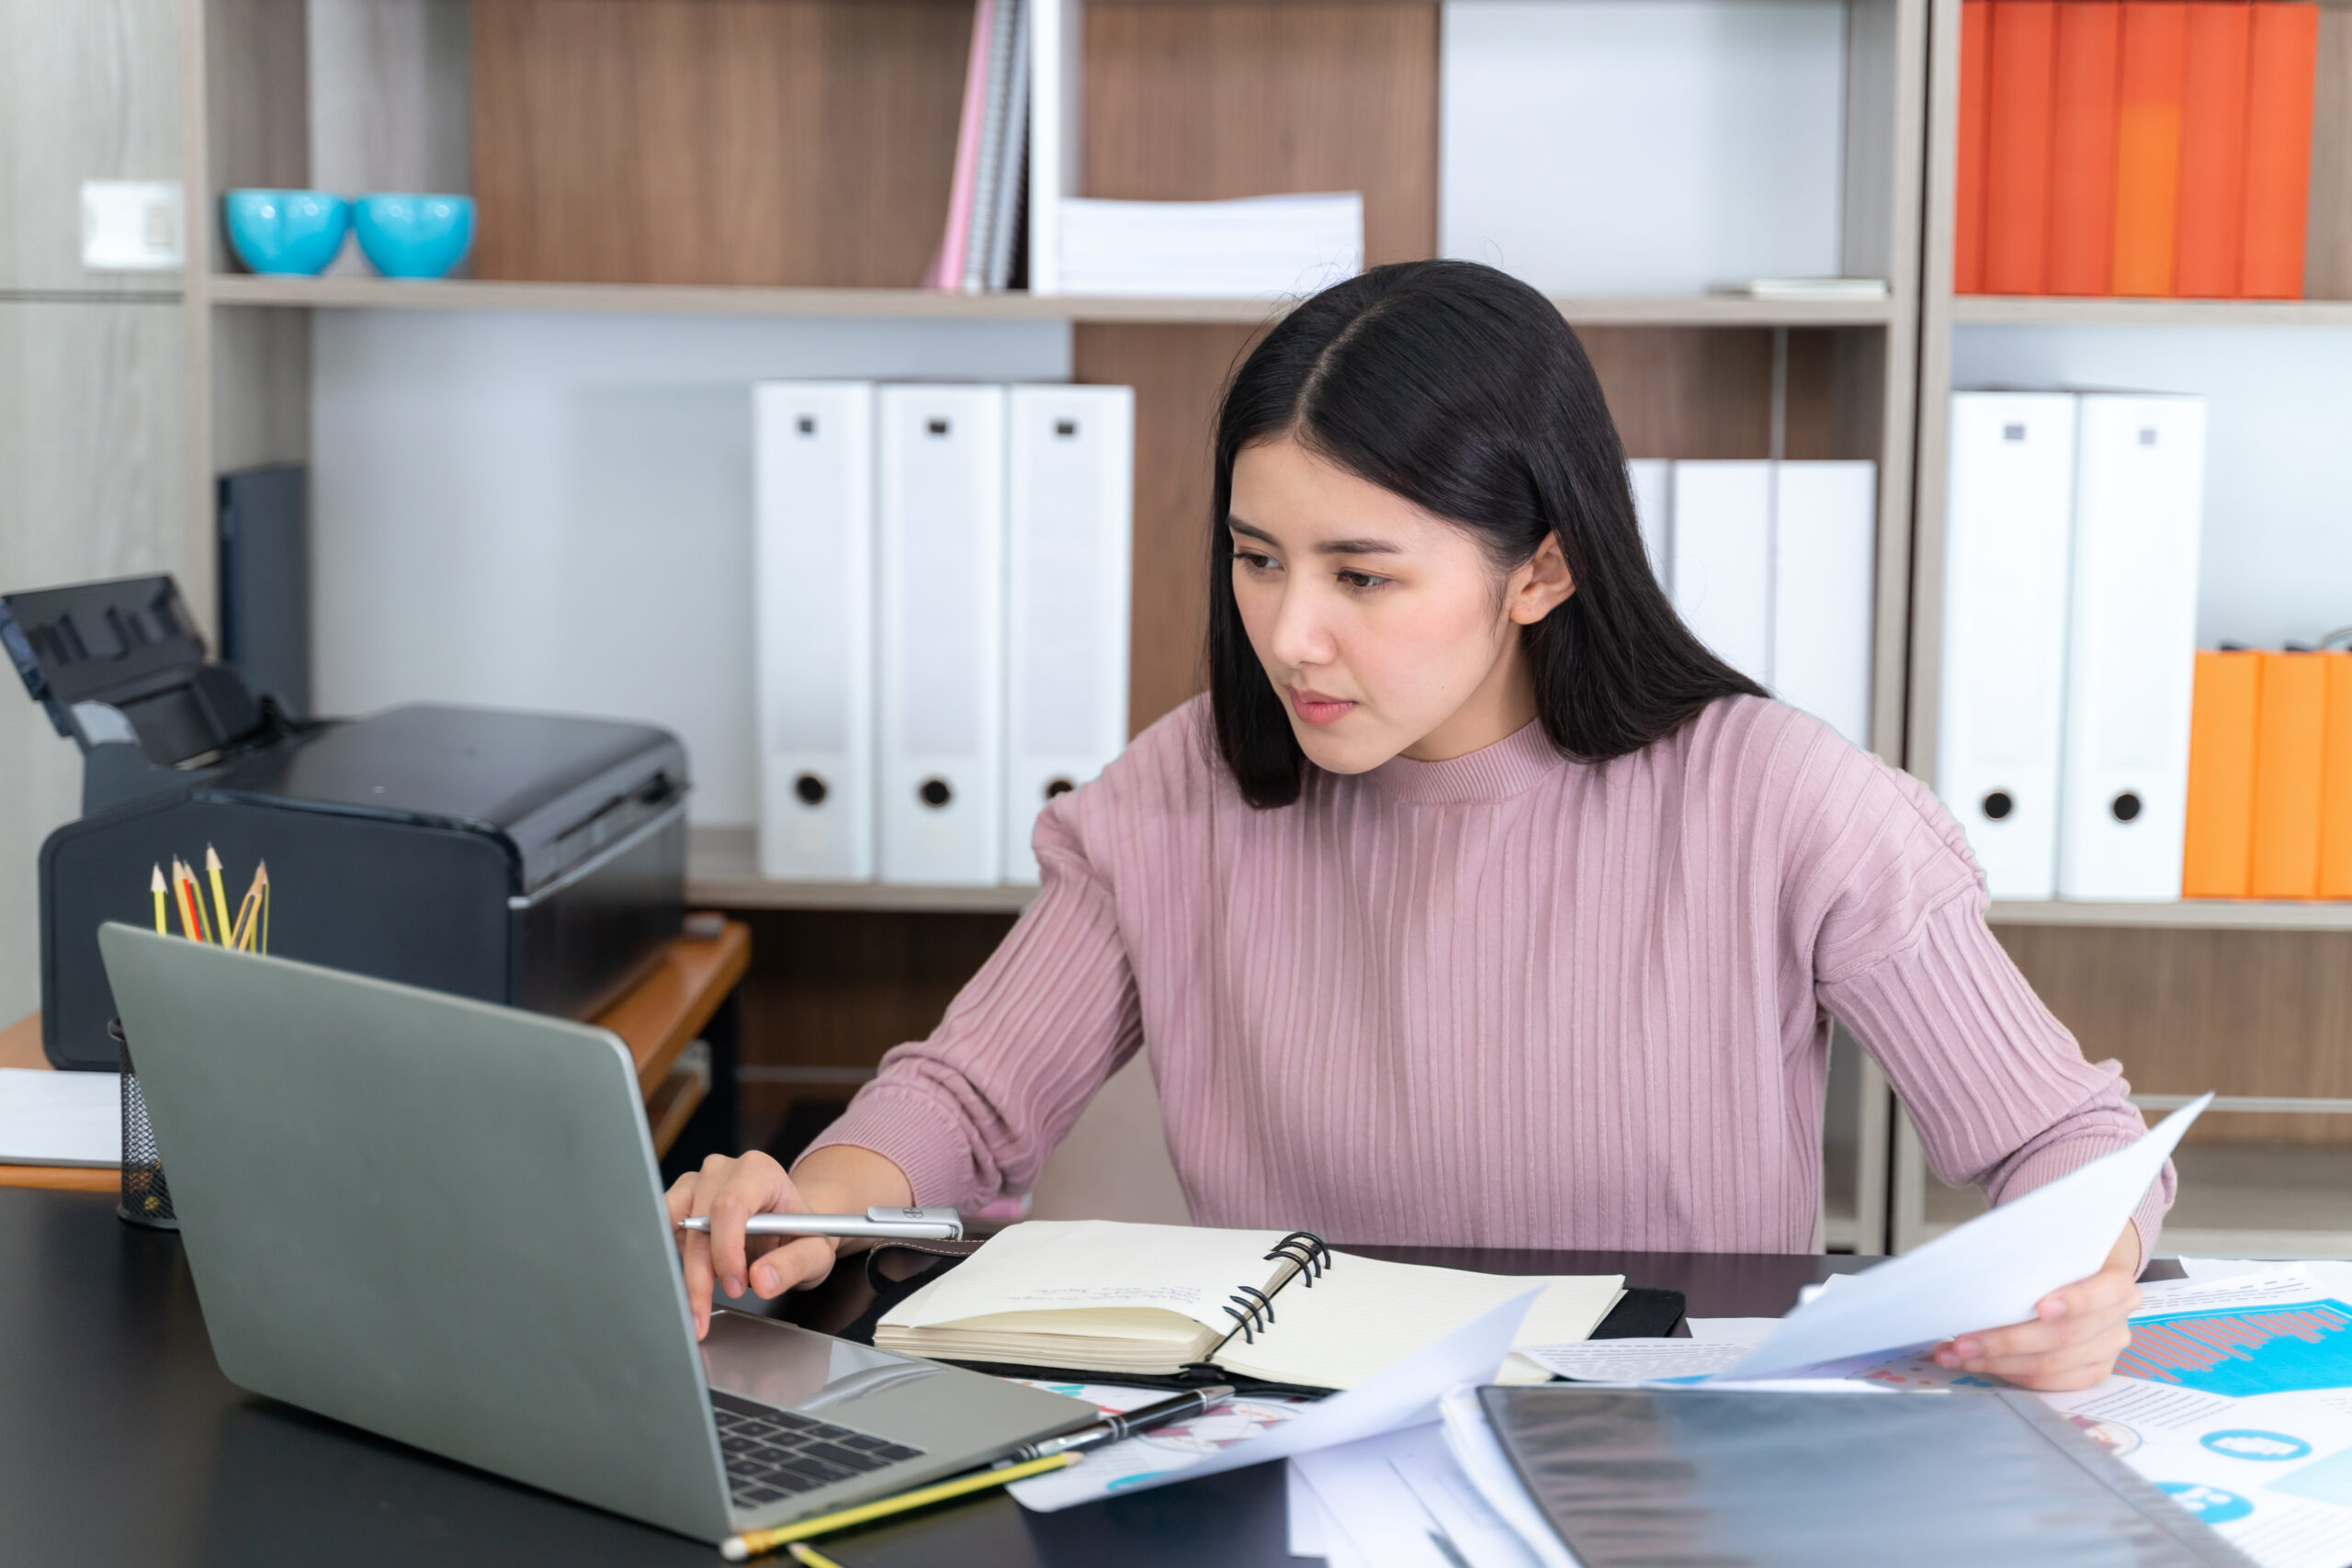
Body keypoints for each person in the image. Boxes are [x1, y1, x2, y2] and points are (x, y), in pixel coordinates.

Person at [673, 259, 2165, 1393]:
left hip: (1665, 1464)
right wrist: (818, 1199)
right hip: (1283, 1447)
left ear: (1541, 571)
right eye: (1258, 559)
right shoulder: (1185, 793)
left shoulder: (1780, 802)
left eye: (1363, 576)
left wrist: (2079, 1281)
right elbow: (970, 1097)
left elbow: (2067, 1141)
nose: (1291, 634)